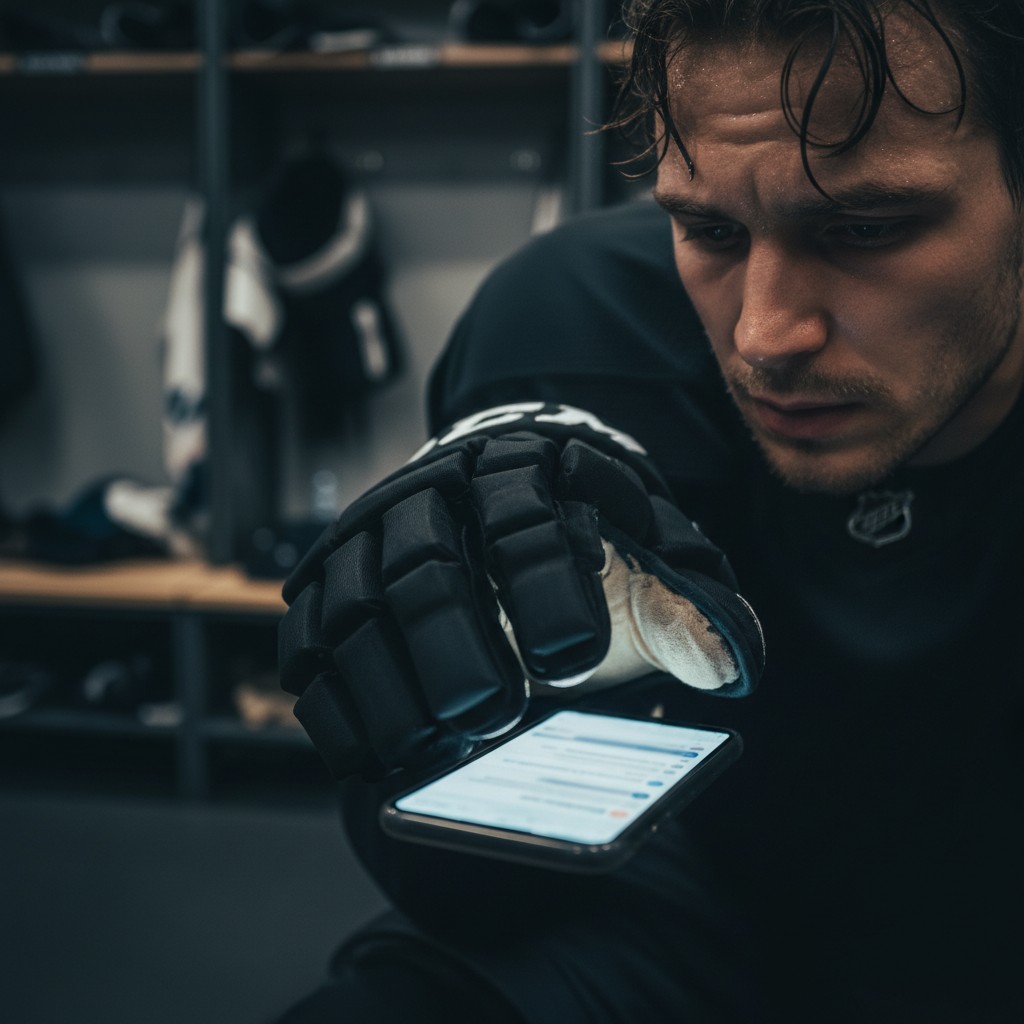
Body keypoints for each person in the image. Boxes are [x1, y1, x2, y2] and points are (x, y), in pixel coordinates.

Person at [275, 1, 1024, 1020]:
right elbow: (473, 896)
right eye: (708, 227)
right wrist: (444, 665)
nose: (764, 335)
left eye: (864, 228)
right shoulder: (574, 313)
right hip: (680, 909)